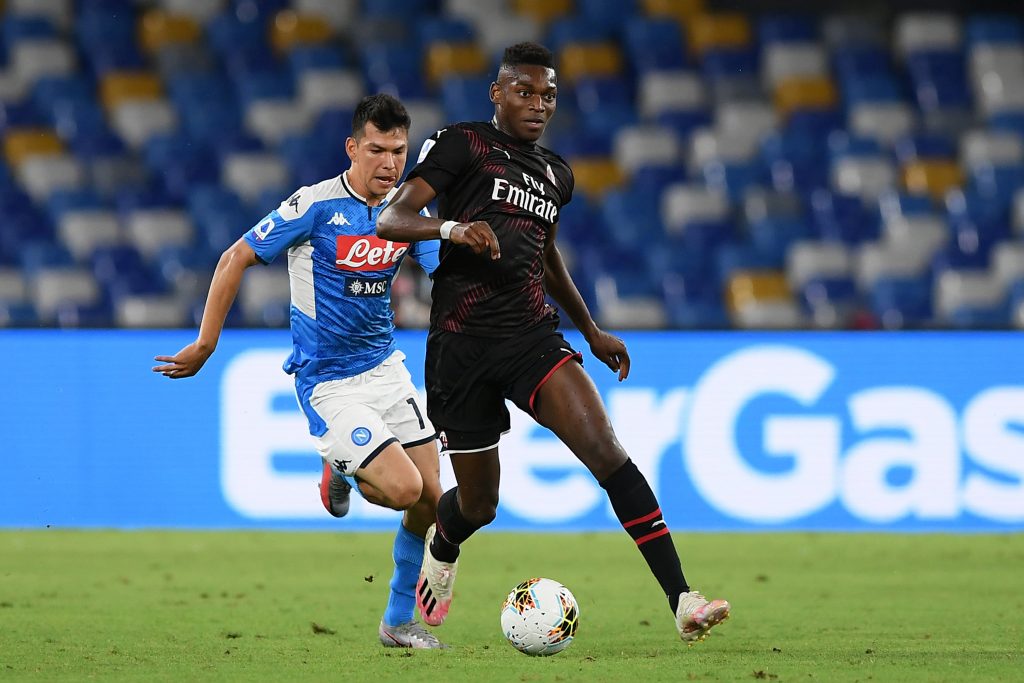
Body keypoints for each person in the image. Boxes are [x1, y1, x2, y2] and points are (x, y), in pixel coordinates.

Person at [377, 42, 730, 644]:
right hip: (461, 347)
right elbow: (391, 218)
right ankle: (445, 540)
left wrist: (590, 329)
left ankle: (682, 599)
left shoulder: (555, 173)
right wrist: (453, 228)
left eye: (548, 95)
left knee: (607, 452)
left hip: (531, 337)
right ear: (497, 93)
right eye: (525, 92)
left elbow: (545, 254)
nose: (538, 104)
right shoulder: (462, 144)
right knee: (479, 504)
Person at [153, 94, 447, 649]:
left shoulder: (408, 212)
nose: (390, 164)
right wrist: (206, 342)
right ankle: (340, 465)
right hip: (329, 382)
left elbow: (447, 278)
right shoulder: (314, 206)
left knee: (434, 500)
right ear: (352, 148)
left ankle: (396, 621)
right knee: (405, 489)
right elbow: (235, 256)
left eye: (399, 151)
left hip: (386, 370)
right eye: (377, 150)